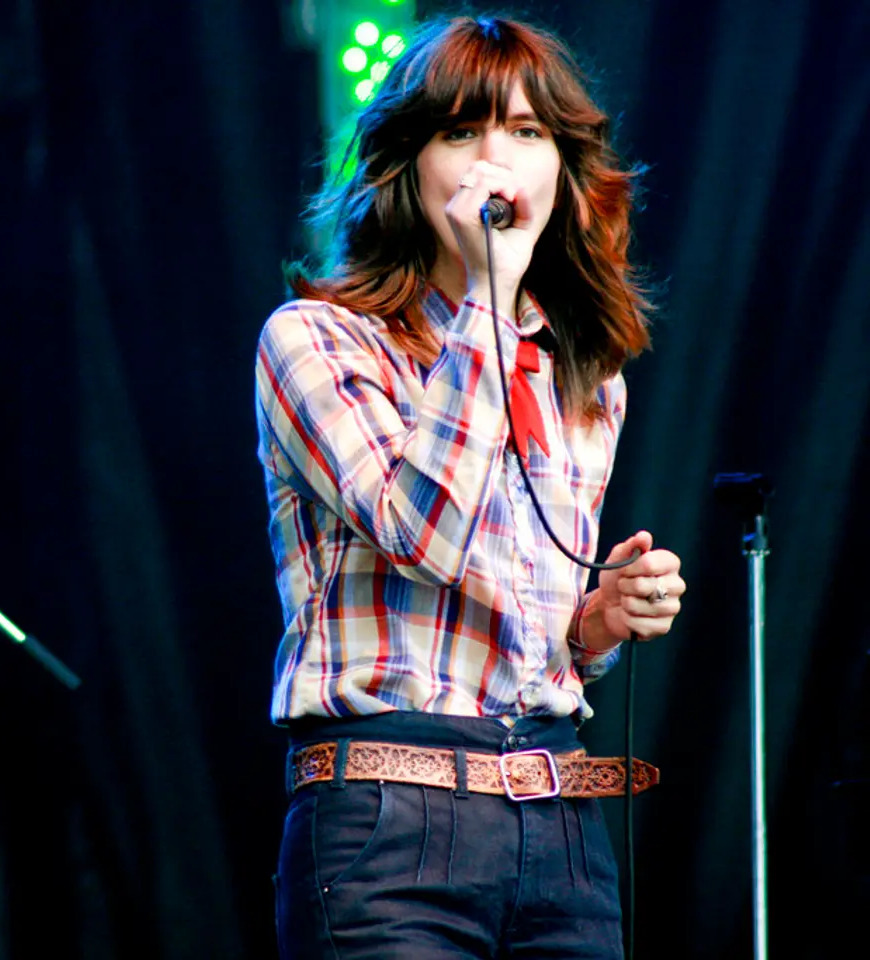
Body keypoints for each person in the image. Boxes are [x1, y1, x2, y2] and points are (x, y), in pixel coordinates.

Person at [254, 14, 685, 959]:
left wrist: (600, 621)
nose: (496, 157)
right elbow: (425, 536)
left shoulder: (582, 372)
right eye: (461, 131)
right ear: (406, 166)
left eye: (528, 134)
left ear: (563, 173)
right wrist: (488, 297)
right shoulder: (316, 341)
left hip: (560, 816)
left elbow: (527, 631)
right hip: (387, 823)